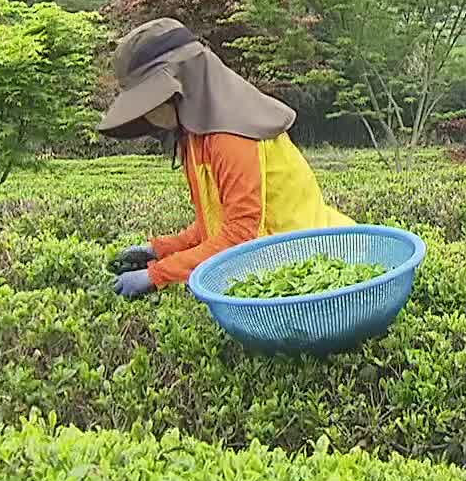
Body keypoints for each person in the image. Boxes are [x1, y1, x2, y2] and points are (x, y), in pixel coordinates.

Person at [96, 17, 353, 297]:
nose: (145, 113)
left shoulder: (230, 136)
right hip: (276, 272)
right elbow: (214, 224)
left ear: (178, 86)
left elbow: (241, 236)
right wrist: (159, 249)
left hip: (312, 267)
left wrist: (157, 274)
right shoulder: (196, 135)